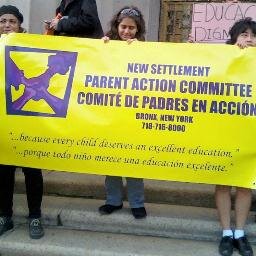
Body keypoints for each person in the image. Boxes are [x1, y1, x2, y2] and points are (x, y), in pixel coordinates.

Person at [98, 6, 147, 219]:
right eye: (123, 27)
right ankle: (113, 201)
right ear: (117, 26)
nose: (127, 31)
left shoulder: (144, 48)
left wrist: (138, 51)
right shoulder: (106, 44)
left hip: (134, 115)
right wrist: (101, 48)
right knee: (112, 162)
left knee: (134, 163)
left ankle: (137, 203)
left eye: (132, 28)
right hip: (111, 114)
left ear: (138, 30)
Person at [0, 5, 44, 239]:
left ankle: (35, 216)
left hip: (28, 122)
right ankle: (5, 215)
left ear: (20, 25)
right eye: (3, 21)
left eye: (12, 21)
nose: (7, 25)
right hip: (3, 126)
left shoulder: (33, 48)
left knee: (32, 173)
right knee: (3, 174)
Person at [217, 18, 256, 256]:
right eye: (243, 34)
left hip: (250, 134)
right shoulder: (222, 59)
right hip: (224, 131)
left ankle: (239, 233)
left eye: (253, 35)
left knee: (244, 184)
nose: (249, 39)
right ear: (234, 39)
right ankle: (225, 233)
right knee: (222, 183)